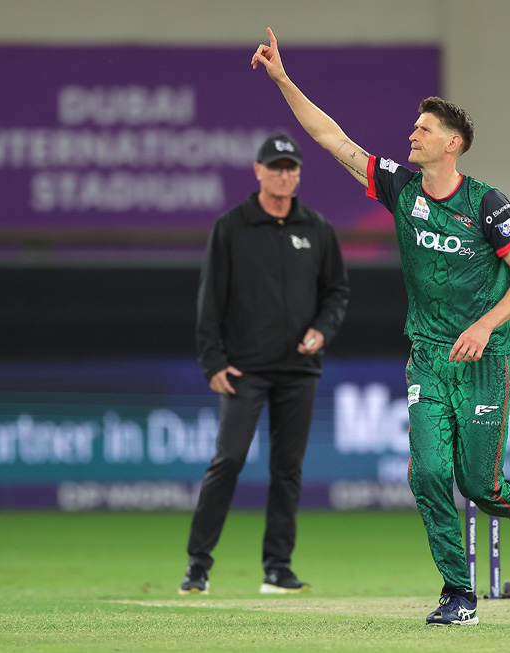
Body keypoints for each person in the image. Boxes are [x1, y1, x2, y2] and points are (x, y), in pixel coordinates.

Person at [251, 28, 510, 625]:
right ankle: (458, 593)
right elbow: (332, 139)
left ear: (452, 145)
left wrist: (483, 326)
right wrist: (283, 80)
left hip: (484, 356)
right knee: (427, 473)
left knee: (480, 485)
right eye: (415, 127)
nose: (412, 134)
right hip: (428, 355)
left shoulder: (487, 204)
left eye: (424, 129)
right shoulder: (400, 187)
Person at [178, 132, 349, 596]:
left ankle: (277, 567)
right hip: (244, 369)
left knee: (287, 468)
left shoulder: (317, 228)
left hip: (299, 370)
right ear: (257, 171)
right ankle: (198, 565)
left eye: (291, 168)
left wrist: (322, 329)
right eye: (275, 167)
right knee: (228, 459)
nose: (283, 175)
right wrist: (212, 360)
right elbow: (209, 299)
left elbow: (335, 291)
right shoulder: (232, 227)